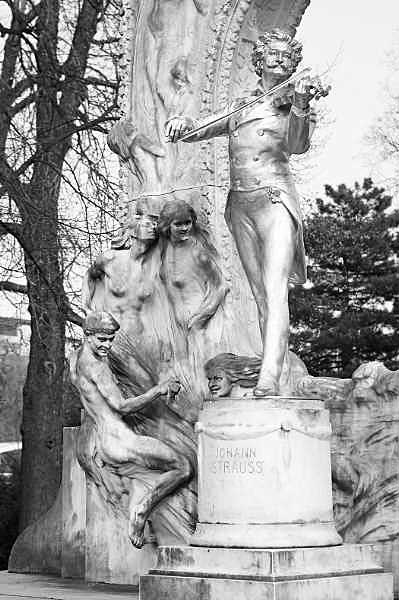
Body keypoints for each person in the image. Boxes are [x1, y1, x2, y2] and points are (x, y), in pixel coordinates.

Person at [165, 28, 327, 396]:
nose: (278, 60)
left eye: (286, 56)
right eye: (272, 54)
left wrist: (300, 104)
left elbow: (298, 144)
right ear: (260, 59)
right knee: (258, 294)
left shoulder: (294, 105)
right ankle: (273, 368)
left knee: (275, 290)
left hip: (274, 200)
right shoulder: (244, 104)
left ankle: (269, 375)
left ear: (292, 64)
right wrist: (182, 127)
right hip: (241, 205)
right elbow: (204, 128)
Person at [70, 311, 193, 548]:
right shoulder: (97, 367)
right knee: (183, 467)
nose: (107, 344)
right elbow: (122, 406)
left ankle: (139, 511)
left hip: (104, 441)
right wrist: (159, 389)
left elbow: (89, 400)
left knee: (142, 475)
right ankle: (141, 512)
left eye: (111, 339)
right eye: (101, 339)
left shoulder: (74, 359)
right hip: (120, 442)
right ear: (87, 335)